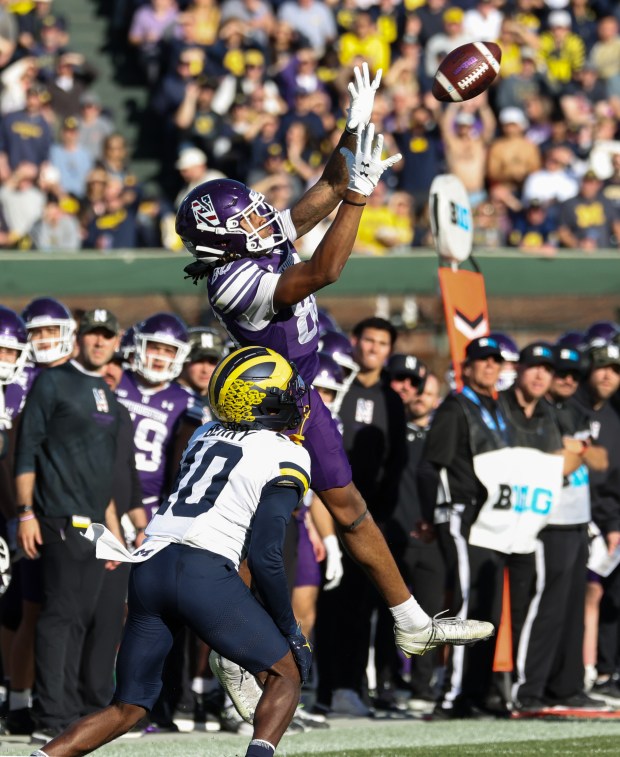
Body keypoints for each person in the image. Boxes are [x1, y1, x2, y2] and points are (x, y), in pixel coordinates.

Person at [175, 63, 493, 689]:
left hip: (299, 396)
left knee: (350, 509)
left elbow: (323, 189)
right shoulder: (233, 281)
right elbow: (322, 270)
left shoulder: (253, 244)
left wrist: (354, 127)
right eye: (248, 220)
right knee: (256, 528)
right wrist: (361, 197)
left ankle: (411, 620)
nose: (263, 220)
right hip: (261, 412)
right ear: (221, 240)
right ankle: (234, 648)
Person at [31, 346, 316, 757]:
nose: (293, 400)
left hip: (150, 566)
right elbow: (267, 553)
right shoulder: (287, 454)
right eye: (286, 392)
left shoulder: (203, 434)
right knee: (284, 674)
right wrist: (289, 628)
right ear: (262, 400)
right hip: (202, 572)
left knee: (128, 706)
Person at [15, 306, 125, 742]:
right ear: (79, 338)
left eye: (107, 335)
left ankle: (73, 711)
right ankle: (50, 716)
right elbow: (27, 450)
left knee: (85, 618)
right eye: (93, 334)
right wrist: (26, 512)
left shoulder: (108, 395)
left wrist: (113, 530)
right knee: (59, 616)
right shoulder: (53, 381)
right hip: (58, 518)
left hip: (95, 525)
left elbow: (107, 475)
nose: (99, 342)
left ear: (117, 343)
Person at [314, 316, 407, 716]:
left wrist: (380, 516)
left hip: (365, 519)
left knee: (358, 607)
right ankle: (319, 687)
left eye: (382, 343)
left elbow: (397, 461)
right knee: (316, 606)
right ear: (355, 340)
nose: (373, 348)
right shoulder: (335, 384)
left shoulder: (391, 397)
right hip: (320, 512)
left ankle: (349, 687)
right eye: (368, 339)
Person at [512, 343, 608, 712]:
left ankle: (566, 687)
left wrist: (573, 450)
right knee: (545, 608)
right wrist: (573, 452)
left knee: (571, 609)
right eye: (559, 373)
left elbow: (598, 459)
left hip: (577, 519)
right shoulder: (539, 414)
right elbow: (555, 464)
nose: (566, 380)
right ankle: (529, 689)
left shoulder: (574, 411)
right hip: (546, 522)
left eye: (572, 374)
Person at [418, 336, 508, 719]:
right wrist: (430, 515)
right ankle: (452, 694)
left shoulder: (497, 408)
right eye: (482, 361)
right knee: (469, 601)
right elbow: (429, 465)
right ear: (466, 367)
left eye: (495, 361)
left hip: (493, 516)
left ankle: (476, 690)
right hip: (462, 512)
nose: (489, 366)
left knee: (489, 605)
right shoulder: (456, 407)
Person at [383, 356, 445, 712]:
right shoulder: (394, 432)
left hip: (431, 538)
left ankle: (423, 685)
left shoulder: (441, 436)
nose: (420, 397)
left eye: (428, 393)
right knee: (390, 612)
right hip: (394, 534)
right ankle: (389, 682)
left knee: (431, 613)